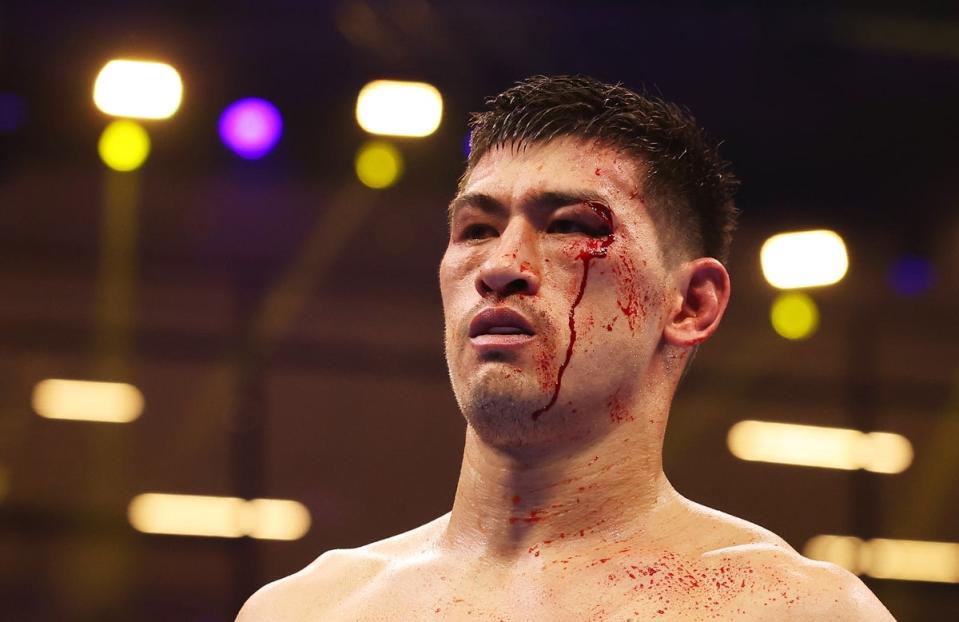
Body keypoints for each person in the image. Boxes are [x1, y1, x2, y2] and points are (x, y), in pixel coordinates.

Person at [237, 75, 894, 621]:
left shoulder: (789, 610)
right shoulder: (309, 610)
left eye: (570, 225)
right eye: (476, 228)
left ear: (690, 303)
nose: (501, 264)